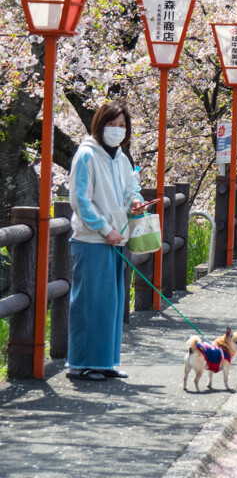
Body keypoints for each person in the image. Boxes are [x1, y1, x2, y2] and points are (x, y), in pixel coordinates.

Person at [67, 102, 145, 381]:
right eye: (112, 124)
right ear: (100, 125)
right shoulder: (87, 155)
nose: (117, 130)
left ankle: (105, 362)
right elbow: (80, 201)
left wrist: (135, 200)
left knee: (111, 303)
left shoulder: (120, 158)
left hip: (116, 238)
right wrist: (104, 229)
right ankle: (81, 364)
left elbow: (130, 188)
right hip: (92, 241)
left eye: (122, 125)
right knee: (90, 303)